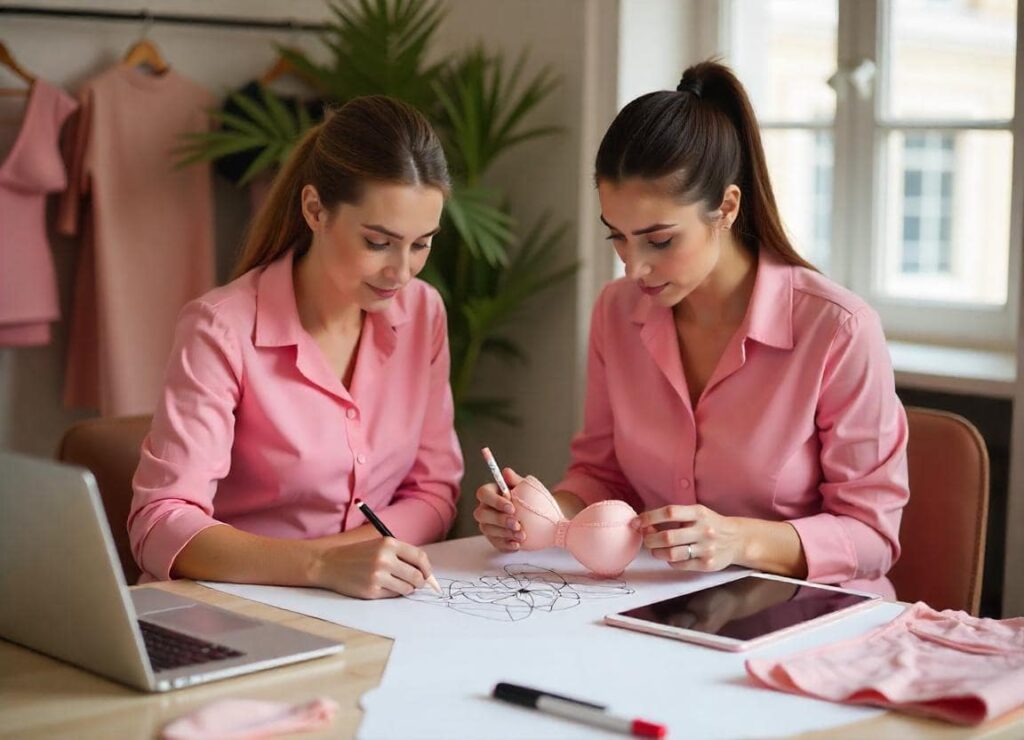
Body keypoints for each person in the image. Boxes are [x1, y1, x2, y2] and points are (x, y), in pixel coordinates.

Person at [474, 61, 909, 596]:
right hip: (661, 604)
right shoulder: (616, 312)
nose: (633, 268)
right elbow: (603, 475)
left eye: (659, 240)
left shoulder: (839, 330)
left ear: (726, 207)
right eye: (618, 237)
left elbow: (872, 536)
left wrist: (737, 540)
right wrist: (540, 514)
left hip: (815, 615)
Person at [129, 96, 463, 599]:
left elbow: (434, 490)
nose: (402, 271)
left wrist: (359, 559)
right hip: (232, 606)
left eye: (421, 243)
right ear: (315, 210)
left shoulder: (423, 313)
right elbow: (160, 522)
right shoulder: (221, 329)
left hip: (367, 605)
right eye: (378, 242)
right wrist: (323, 564)